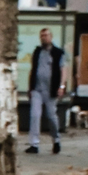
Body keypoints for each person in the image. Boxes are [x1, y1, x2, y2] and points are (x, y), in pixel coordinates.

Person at [26, 28, 62, 156]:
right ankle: (34, 144)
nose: (43, 38)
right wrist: (30, 87)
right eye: (42, 35)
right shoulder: (37, 52)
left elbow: (64, 69)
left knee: (51, 116)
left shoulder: (58, 53)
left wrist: (61, 86)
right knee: (35, 115)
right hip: (37, 88)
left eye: (46, 35)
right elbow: (33, 69)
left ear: (51, 37)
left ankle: (56, 139)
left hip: (50, 89)